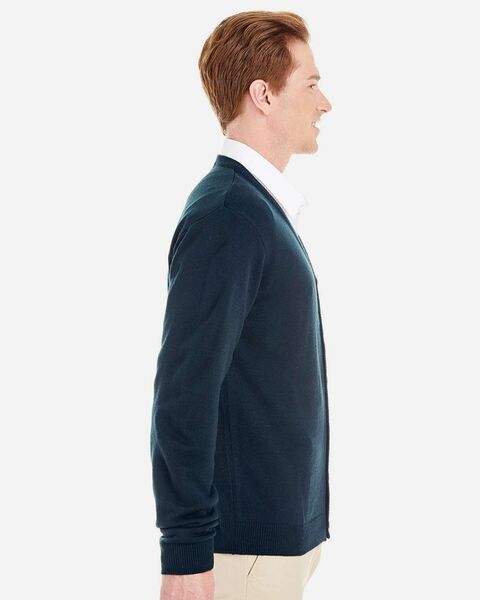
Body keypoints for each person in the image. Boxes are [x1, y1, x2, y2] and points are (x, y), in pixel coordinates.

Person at [150, 10, 333, 600]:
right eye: (311, 84)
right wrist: (185, 552)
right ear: (263, 95)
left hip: (272, 544)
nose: (325, 103)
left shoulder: (256, 211)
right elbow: (184, 392)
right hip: (244, 552)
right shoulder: (229, 217)